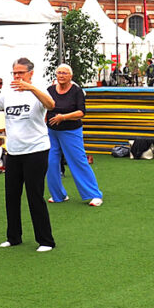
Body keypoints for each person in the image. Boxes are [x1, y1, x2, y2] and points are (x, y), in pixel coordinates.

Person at [0, 57, 56, 251]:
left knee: (34, 195)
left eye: (21, 73)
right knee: (12, 195)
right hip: (14, 151)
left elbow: (51, 105)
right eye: (14, 73)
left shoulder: (38, 91)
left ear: (30, 73)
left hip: (36, 150)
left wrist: (31, 88)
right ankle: (13, 237)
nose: (17, 76)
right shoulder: (7, 93)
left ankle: (45, 241)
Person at [45, 64, 103, 206]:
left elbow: (81, 112)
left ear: (70, 76)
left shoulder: (77, 91)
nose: (61, 75)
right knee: (51, 163)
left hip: (71, 131)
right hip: (52, 132)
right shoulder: (50, 90)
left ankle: (95, 195)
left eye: (64, 73)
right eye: (59, 72)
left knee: (78, 161)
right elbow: (44, 106)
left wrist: (63, 117)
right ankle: (58, 195)